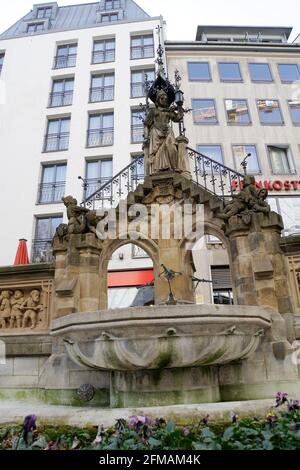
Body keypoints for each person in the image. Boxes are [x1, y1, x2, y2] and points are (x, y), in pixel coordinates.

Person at [143, 89, 184, 175]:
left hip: (167, 131)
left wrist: (179, 105)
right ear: (158, 100)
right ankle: (157, 169)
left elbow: (178, 118)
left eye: (165, 98)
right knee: (156, 151)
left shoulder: (169, 111)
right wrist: (146, 137)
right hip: (156, 132)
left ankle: (174, 167)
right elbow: (146, 124)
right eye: (162, 98)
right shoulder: (153, 111)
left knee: (172, 147)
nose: (164, 100)